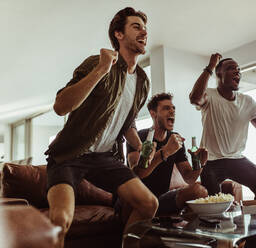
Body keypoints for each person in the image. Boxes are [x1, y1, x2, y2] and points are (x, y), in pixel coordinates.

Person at [45, 7, 158, 247]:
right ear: (119, 34)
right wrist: (101, 70)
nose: (144, 32)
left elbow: (127, 124)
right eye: (136, 27)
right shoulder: (98, 63)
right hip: (69, 154)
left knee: (149, 203)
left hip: (105, 157)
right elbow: (60, 106)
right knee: (59, 220)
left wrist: (143, 146)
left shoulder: (143, 82)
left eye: (145, 29)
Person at [189, 53, 256, 200]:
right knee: (216, 201)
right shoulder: (209, 95)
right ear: (219, 74)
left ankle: (255, 224)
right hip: (211, 161)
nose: (237, 71)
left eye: (239, 69)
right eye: (230, 68)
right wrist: (210, 66)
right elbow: (194, 98)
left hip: (236, 159)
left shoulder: (248, 102)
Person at [127, 93, 208, 215]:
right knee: (196, 191)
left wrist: (199, 164)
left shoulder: (175, 139)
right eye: (166, 108)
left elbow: (189, 178)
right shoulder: (138, 138)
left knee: (200, 191)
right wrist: (165, 151)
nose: (172, 111)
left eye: (173, 108)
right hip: (139, 199)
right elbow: (137, 174)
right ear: (153, 113)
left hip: (161, 198)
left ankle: (190, 233)